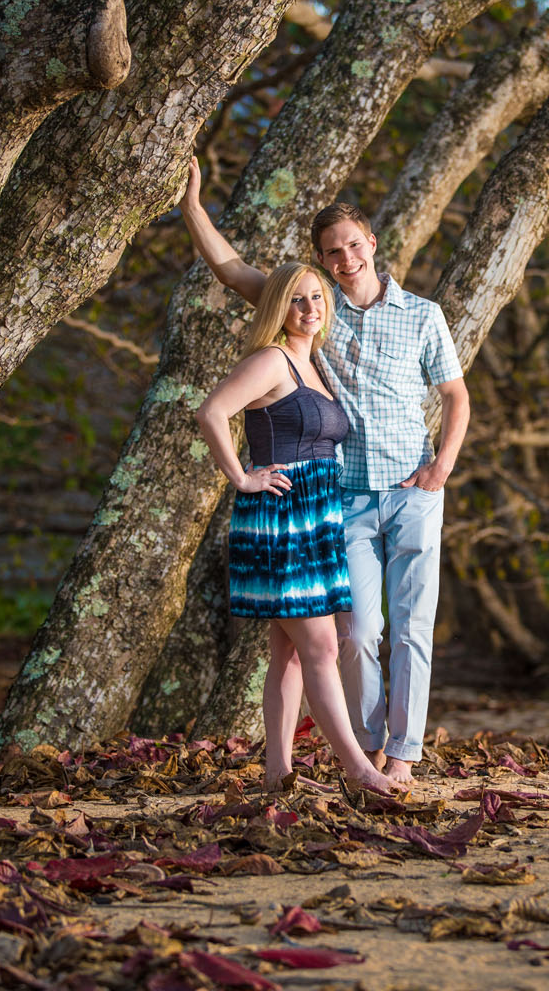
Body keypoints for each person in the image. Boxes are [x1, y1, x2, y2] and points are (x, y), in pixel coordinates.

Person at [180, 158, 470, 786]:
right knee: (358, 632)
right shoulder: (314, 308)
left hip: (415, 489)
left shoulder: (420, 314)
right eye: (332, 252)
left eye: (354, 246)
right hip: (342, 502)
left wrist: (442, 467)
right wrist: (192, 206)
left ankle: (403, 755)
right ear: (322, 258)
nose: (345, 259)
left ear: (372, 244)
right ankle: (364, 754)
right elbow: (231, 271)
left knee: (411, 628)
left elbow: (456, 396)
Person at [195, 261, 403, 795]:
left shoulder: (314, 365)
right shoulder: (272, 360)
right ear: (277, 307)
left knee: (288, 653)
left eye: (316, 298)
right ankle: (359, 771)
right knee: (322, 647)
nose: (309, 309)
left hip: (317, 522)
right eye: (296, 300)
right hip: (281, 521)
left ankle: (278, 772)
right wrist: (242, 478)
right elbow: (212, 412)